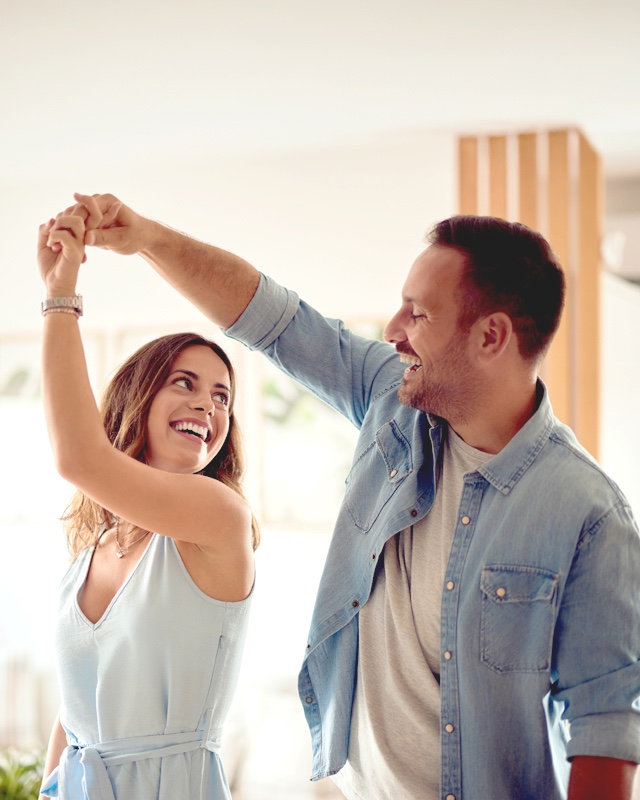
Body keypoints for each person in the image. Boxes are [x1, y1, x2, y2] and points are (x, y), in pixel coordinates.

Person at [75, 192, 640, 800]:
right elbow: (272, 318)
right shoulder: (391, 399)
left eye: (418, 315)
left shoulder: (589, 513)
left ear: (491, 337)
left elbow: (606, 733)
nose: (393, 331)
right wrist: (149, 239)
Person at [37, 203, 256, 800]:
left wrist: (60, 295)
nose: (206, 407)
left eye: (221, 397)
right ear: (138, 396)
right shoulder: (93, 546)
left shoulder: (219, 518)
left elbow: (78, 458)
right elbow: (73, 714)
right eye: (183, 383)